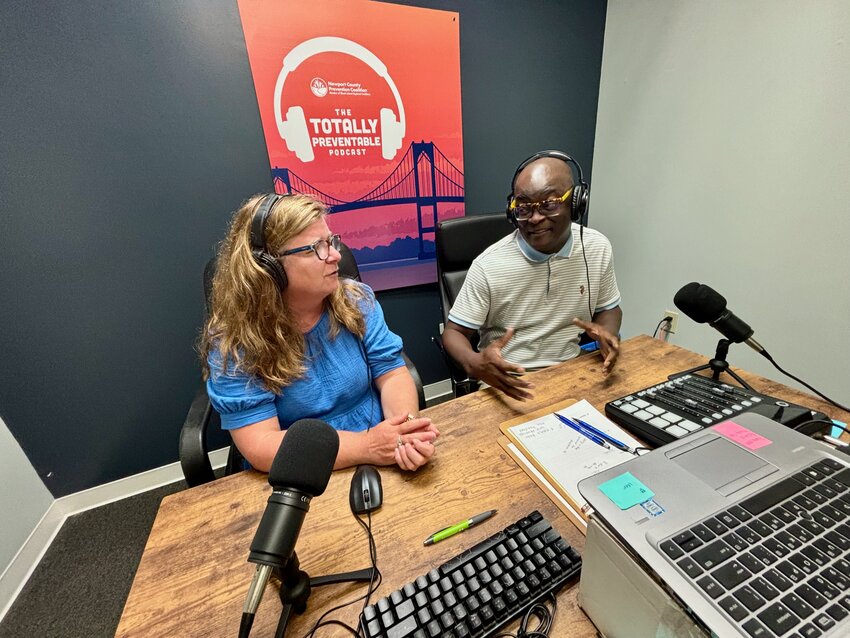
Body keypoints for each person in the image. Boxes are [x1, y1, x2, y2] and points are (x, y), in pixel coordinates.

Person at [199, 193, 439, 472]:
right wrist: (367, 446)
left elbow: (393, 373)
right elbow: (262, 446)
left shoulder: (357, 300)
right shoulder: (235, 343)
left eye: (331, 241)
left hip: (381, 446)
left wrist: (405, 432)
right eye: (316, 248)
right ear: (269, 267)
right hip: (300, 464)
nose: (336, 255)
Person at [442, 150, 622, 401]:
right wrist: (474, 363)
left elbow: (609, 309)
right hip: (507, 382)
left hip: (573, 371)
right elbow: (454, 333)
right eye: (524, 207)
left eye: (549, 204)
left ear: (576, 202)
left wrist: (607, 333)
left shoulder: (596, 248)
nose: (535, 218)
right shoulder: (489, 265)